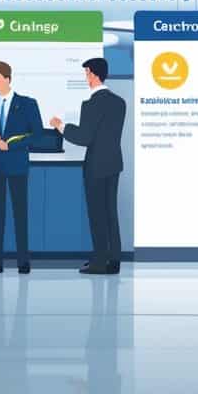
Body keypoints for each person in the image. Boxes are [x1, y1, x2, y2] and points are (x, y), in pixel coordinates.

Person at [51, 58, 127, 275]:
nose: (86, 77)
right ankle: (113, 261)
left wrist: (61, 126)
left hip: (95, 165)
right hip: (113, 163)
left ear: (93, 74)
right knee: (111, 213)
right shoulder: (119, 102)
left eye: (86, 73)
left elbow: (84, 137)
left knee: (97, 214)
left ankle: (99, 261)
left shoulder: (91, 104)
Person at [0, 60, 44, 275]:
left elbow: (37, 134)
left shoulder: (28, 104)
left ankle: (23, 261)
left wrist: (10, 144)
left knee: (20, 213)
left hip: (18, 165)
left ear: (8, 79)